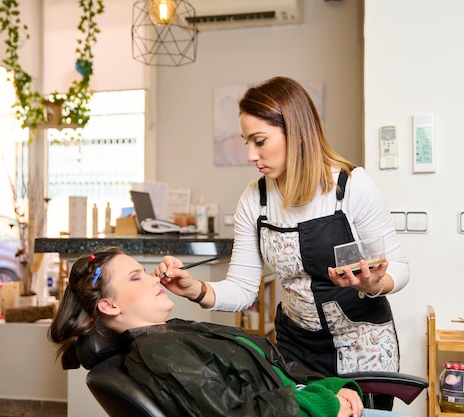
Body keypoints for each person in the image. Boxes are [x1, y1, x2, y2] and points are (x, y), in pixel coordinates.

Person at [155, 76, 410, 410]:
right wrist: (196, 290)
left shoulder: (351, 187)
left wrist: (376, 283)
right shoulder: (255, 200)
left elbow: (400, 269)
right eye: (246, 141)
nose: (250, 154)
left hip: (362, 347)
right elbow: (244, 289)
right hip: (296, 348)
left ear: (297, 131)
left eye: (259, 141)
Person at [48, 247, 412, 417]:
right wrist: (320, 403)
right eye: (135, 277)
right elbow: (232, 414)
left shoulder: (171, 332)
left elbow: (270, 368)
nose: (153, 276)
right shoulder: (157, 352)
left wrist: (332, 388)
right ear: (109, 306)